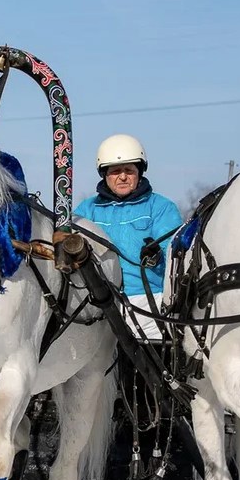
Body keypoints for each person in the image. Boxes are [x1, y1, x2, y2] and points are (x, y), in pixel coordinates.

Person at [75, 134, 182, 338]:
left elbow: (174, 252)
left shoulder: (160, 207)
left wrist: (157, 254)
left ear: (139, 173)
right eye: (115, 171)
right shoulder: (87, 210)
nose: (122, 177)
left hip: (146, 300)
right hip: (97, 300)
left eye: (129, 170)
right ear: (104, 174)